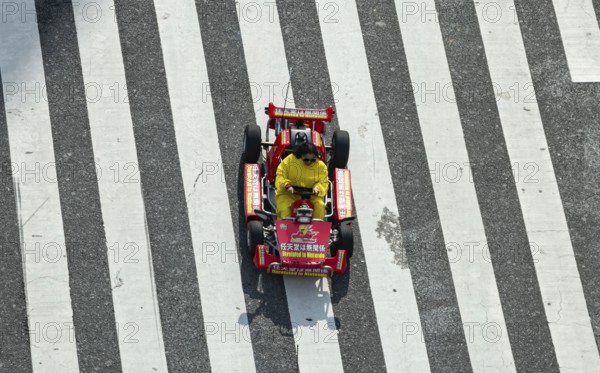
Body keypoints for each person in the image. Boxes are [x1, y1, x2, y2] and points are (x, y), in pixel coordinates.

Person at [275, 142, 328, 220]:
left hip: (312, 195)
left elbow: (324, 182)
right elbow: (280, 175)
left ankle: (317, 228)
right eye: (306, 160)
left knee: (320, 207)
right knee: (284, 210)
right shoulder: (290, 160)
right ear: (300, 156)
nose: (309, 162)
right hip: (289, 193)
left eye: (312, 160)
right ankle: (285, 229)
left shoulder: (321, 166)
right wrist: (287, 185)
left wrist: (318, 188)